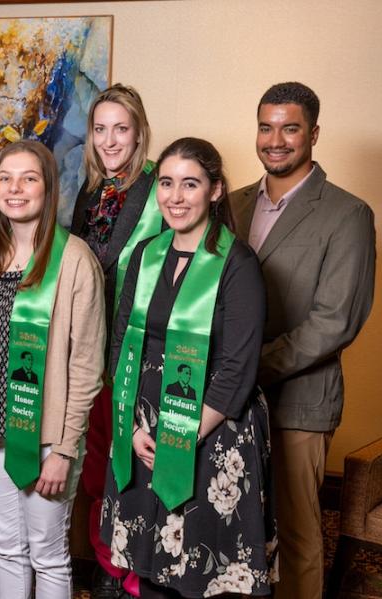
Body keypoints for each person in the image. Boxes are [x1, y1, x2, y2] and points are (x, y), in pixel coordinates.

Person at [101, 137, 277, 598]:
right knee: (152, 567)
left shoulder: (237, 263)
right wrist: (131, 424)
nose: (175, 197)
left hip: (211, 429)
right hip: (144, 428)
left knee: (200, 572)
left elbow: (239, 367)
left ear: (215, 190)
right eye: (166, 183)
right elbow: (120, 343)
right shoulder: (145, 255)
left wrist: (181, 437)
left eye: (190, 184)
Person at [230, 82, 376, 599]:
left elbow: (334, 322)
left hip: (298, 405)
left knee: (296, 535)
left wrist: (243, 369)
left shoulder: (347, 214)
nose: (276, 140)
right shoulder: (232, 204)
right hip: (226, 403)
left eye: (289, 128)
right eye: (266, 127)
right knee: (231, 529)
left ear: (313, 133)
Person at [0, 140, 105, 598]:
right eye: (6, 178)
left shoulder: (75, 259)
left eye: (29, 178)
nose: (15, 189)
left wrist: (64, 449)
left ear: (48, 188)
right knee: (5, 547)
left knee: (48, 552)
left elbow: (87, 367)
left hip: (46, 435)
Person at [69, 83, 162, 599]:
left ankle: (133, 579)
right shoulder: (90, 194)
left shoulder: (159, 190)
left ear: (139, 132)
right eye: (100, 129)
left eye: (120, 129)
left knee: (133, 474)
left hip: (138, 359)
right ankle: (106, 569)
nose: (109, 140)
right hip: (90, 356)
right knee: (96, 470)